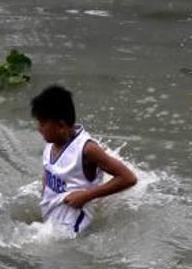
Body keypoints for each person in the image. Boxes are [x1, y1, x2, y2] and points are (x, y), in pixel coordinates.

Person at [31, 85, 137, 235]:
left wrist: (87, 196)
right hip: (51, 217)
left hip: (72, 226)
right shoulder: (51, 142)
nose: (38, 128)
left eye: (42, 124)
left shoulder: (87, 149)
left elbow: (128, 178)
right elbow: (47, 171)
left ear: (61, 125)